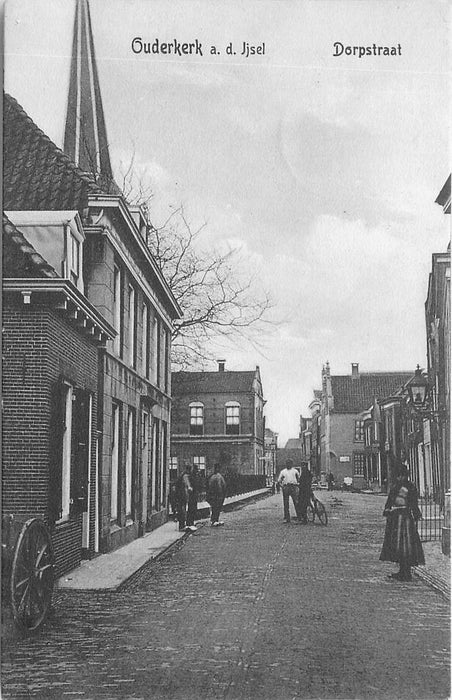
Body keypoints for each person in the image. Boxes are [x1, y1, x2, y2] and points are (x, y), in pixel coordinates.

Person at [379, 464, 425, 581]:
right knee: (398, 545)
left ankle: (406, 572)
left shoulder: (408, 487)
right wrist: (387, 509)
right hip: (398, 519)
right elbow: (390, 500)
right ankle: (402, 570)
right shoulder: (401, 486)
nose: (400, 478)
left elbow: (413, 503)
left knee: (404, 545)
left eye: (401, 476)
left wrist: (416, 513)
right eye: (399, 476)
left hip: (403, 519)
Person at [175, 463, 195, 532]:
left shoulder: (182, 475)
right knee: (182, 511)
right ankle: (182, 526)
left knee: (181, 510)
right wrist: (191, 488)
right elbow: (188, 486)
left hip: (180, 495)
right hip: (182, 496)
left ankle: (182, 525)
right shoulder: (185, 476)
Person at [186, 463, 200, 530]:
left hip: (194, 495)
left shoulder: (195, 477)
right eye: (196, 469)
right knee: (191, 509)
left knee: (193, 509)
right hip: (192, 496)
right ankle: (189, 523)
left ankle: (191, 523)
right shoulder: (192, 477)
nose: (197, 471)